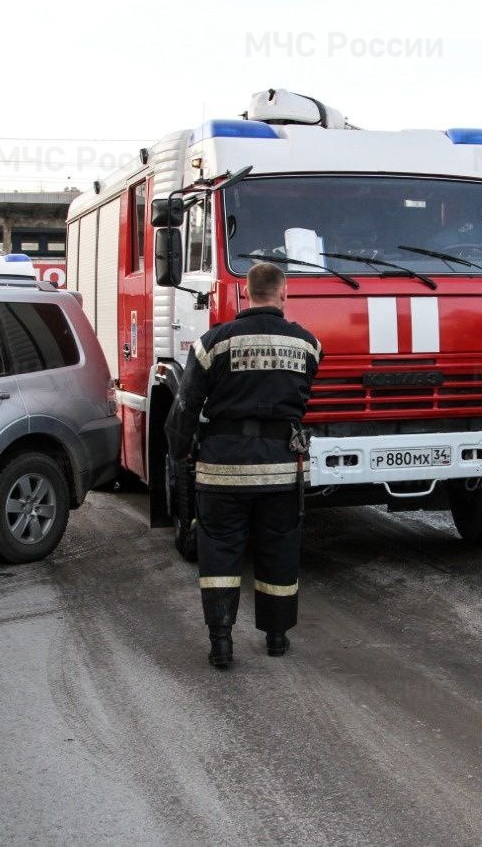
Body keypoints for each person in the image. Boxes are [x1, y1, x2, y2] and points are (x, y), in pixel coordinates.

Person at [167, 262, 322, 668]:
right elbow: (302, 399)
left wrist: (180, 452)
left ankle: (221, 642)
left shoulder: (212, 343)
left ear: (246, 292)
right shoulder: (307, 345)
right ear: (283, 292)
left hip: (221, 470)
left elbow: (185, 406)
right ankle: (275, 637)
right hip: (280, 470)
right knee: (279, 551)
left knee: (219, 553)